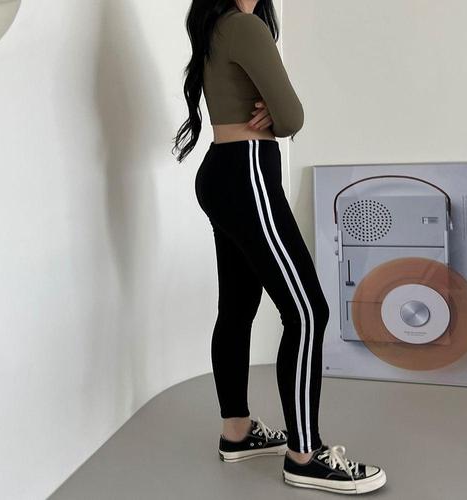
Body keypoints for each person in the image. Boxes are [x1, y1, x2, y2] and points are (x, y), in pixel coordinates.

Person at [172, 0, 387, 495]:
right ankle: (304, 456)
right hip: (247, 171)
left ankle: (237, 432)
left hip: (222, 171)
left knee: (237, 309)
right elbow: (290, 117)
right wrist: (276, 112)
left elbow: (280, 113)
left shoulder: (216, 24)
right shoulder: (246, 27)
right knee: (308, 312)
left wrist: (275, 111)